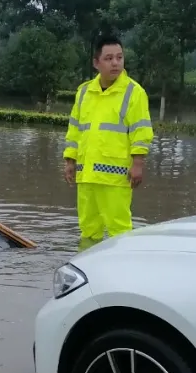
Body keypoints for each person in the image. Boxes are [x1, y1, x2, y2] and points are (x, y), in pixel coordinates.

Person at [63, 34, 153, 247]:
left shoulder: (134, 92)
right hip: (86, 174)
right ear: (96, 63)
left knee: (119, 230)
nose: (115, 63)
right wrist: (69, 160)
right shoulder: (84, 91)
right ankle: (87, 271)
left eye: (119, 57)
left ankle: (122, 273)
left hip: (116, 177)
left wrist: (138, 164)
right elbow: (75, 129)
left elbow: (141, 131)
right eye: (109, 58)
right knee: (88, 229)